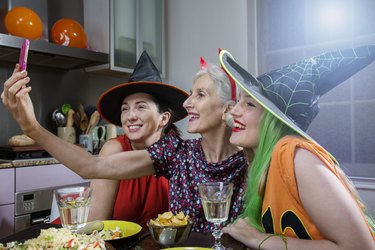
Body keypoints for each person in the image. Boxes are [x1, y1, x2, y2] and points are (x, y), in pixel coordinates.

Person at [1, 55, 247, 232]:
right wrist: (32, 127)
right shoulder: (176, 153)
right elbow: (93, 167)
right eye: (125, 108)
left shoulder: (250, 158)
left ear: (227, 107)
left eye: (200, 95)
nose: (186, 103)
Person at [219, 46, 375, 249]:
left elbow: (360, 247)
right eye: (239, 101)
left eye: (249, 104)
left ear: (274, 120)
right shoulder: (264, 163)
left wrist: (257, 239)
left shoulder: (295, 156)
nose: (235, 111)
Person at [88, 51, 189, 229]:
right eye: (125, 109)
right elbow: (96, 223)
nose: (130, 116)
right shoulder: (114, 149)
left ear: (163, 119)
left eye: (141, 107)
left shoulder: (179, 154)